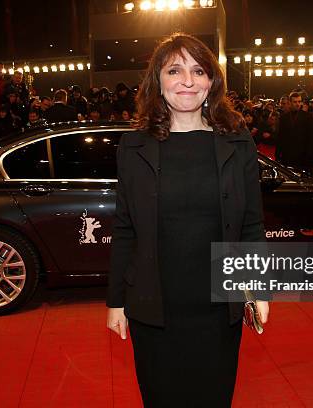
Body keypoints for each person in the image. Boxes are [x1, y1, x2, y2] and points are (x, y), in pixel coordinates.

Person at [106, 33, 270, 408]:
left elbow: (251, 223)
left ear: (212, 81)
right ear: (157, 81)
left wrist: (259, 287)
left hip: (217, 306)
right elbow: (125, 228)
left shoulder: (238, 142)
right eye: (175, 70)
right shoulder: (133, 146)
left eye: (199, 71)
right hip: (155, 304)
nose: (188, 81)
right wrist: (116, 301)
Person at [275, 91, 313, 168]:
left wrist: (309, 154)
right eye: (295, 102)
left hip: (302, 155)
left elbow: (310, 136)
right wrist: (278, 154)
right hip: (287, 155)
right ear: (290, 102)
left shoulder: (307, 117)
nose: (297, 104)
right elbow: (281, 136)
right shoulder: (284, 117)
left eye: (299, 101)